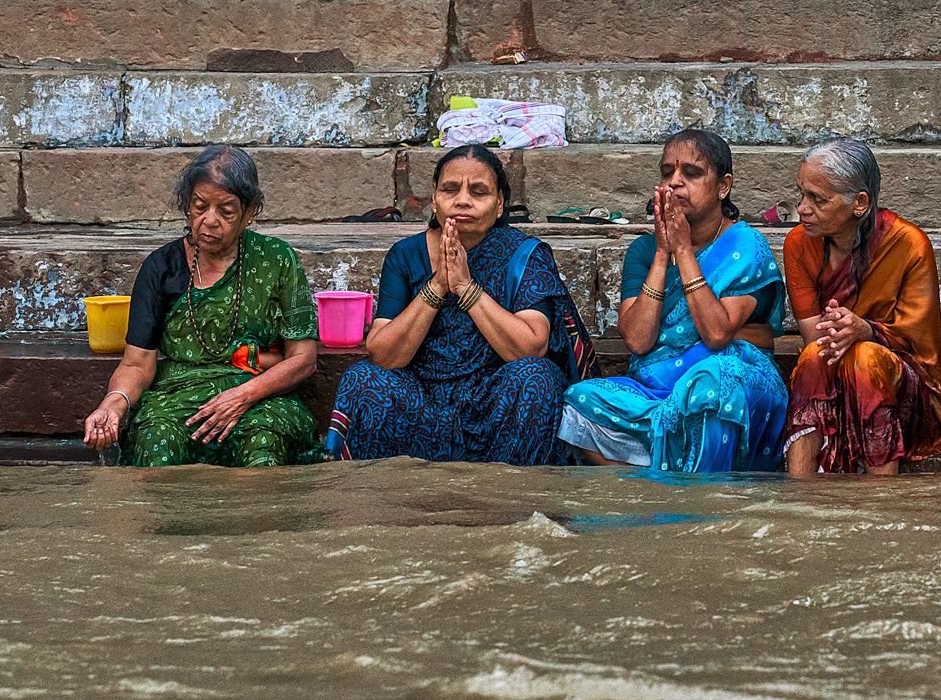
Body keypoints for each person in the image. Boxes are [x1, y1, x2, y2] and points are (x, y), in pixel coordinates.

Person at [325, 144, 593, 464]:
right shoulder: (406, 255)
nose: (462, 200)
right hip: (419, 403)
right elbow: (382, 353)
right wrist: (438, 284)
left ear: (499, 205)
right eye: (450, 189)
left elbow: (531, 347)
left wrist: (466, 288)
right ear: (435, 200)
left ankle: (516, 503)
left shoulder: (525, 255)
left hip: (494, 403)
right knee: (363, 378)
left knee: (537, 377)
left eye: (478, 191)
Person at [558, 130, 788, 472]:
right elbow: (638, 340)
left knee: (711, 383)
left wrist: (685, 249)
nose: (675, 182)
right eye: (668, 173)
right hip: (657, 390)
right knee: (579, 402)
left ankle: (695, 490)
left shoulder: (745, 246)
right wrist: (664, 254)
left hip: (730, 383)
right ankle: (658, 483)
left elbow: (716, 335)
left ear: (723, 186)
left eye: (692, 174)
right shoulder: (643, 251)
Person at [82, 146, 321, 467]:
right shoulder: (161, 268)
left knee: (263, 448)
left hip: (258, 397)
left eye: (226, 210)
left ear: (249, 213)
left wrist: (244, 395)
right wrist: (113, 404)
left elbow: (303, 359)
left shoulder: (278, 260)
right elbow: (137, 364)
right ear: (187, 207)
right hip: (174, 396)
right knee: (156, 445)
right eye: (200, 207)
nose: (210, 221)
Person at [782, 137, 941, 477]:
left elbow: (922, 348)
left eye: (817, 199)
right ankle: (799, 494)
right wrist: (841, 331)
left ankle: (882, 496)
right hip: (833, 370)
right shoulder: (798, 244)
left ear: (860, 203)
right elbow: (814, 337)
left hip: (909, 392)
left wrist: (865, 330)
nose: (803, 208)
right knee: (812, 356)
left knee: (866, 358)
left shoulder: (909, 244)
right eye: (802, 194)